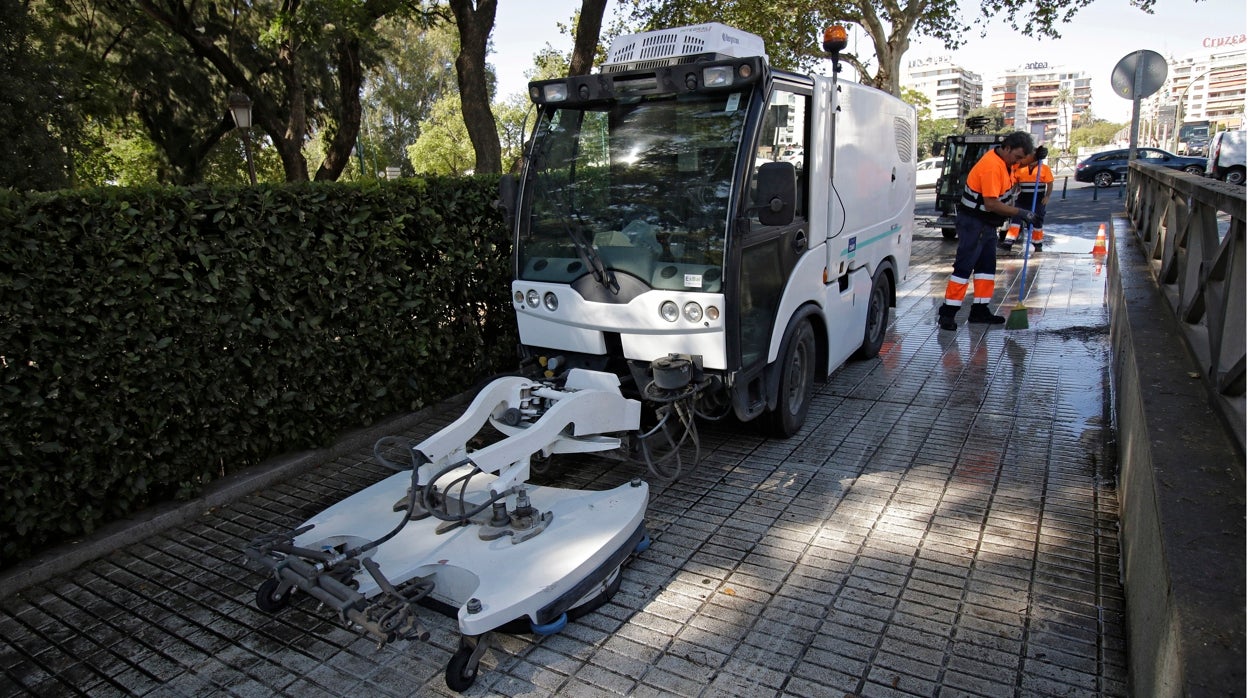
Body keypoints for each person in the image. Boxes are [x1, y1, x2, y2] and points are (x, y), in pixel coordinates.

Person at [937, 131, 1036, 331]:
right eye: (1017, 157)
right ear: (1007, 148)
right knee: (964, 267)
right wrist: (1021, 213)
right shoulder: (992, 167)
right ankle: (947, 313)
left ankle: (980, 310)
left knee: (986, 269)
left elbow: (1021, 163)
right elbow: (991, 204)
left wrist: (1036, 156)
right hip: (975, 222)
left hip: (986, 224)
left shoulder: (1005, 160)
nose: (1018, 162)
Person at [1001, 147, 1053, 252]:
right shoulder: (1020, 168)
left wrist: (1047, 196)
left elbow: (1050, 183)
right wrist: (1011, 196)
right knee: (1015, 220)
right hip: (1022, 199)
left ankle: (1037, 244)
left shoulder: (1044, 168)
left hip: (1038, 199)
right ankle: (1009, 242)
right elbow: (1015, 184)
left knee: (1036, 222)